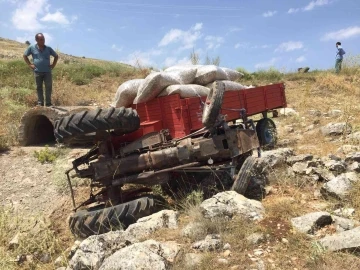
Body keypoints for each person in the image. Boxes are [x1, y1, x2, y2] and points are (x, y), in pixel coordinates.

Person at [23, 33, 59, 107]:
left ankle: (48, 103)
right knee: (39, 87)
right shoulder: (32, 47)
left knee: (48, 87)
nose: (43, 41)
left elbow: (56, 56)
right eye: (41, 39)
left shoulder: (48, 48)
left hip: (47, 71)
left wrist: (53, 65)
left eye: (43, 39)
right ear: (37, 40)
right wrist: (30, 64)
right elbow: (25, 55)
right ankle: (40, 103)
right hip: (37, 71)